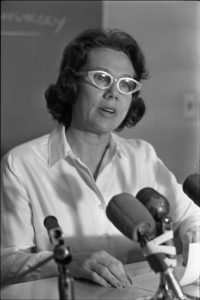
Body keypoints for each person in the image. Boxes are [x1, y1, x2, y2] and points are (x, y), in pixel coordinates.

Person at [1, 28, 199, 289]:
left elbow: (191, 217)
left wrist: (192, 236)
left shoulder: (143, 155)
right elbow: (6, 263)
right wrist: (68, 263)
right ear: (71, 84)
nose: (113, 93)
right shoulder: (21, 164)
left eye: (126, 84)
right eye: (102, 79)